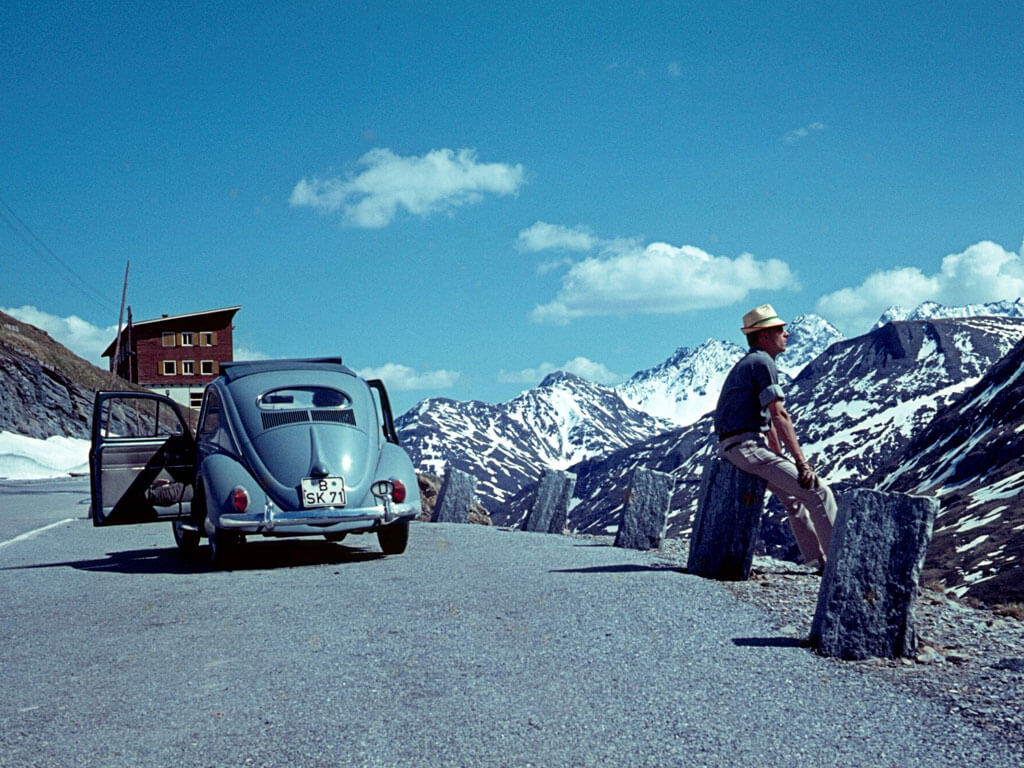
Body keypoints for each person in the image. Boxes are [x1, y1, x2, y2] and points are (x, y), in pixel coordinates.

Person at [713, 304, 836, 570]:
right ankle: (844, 565)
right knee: (818, 492)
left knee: (793, 500)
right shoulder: (762, 362)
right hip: (746, 445)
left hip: (737, 446)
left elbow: (766, 424)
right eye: (780, 330)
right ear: (764, 336)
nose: (787, 334)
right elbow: (779, 415)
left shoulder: (752, 362)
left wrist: (777, 455)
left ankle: (818, 562)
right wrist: (801, 464)